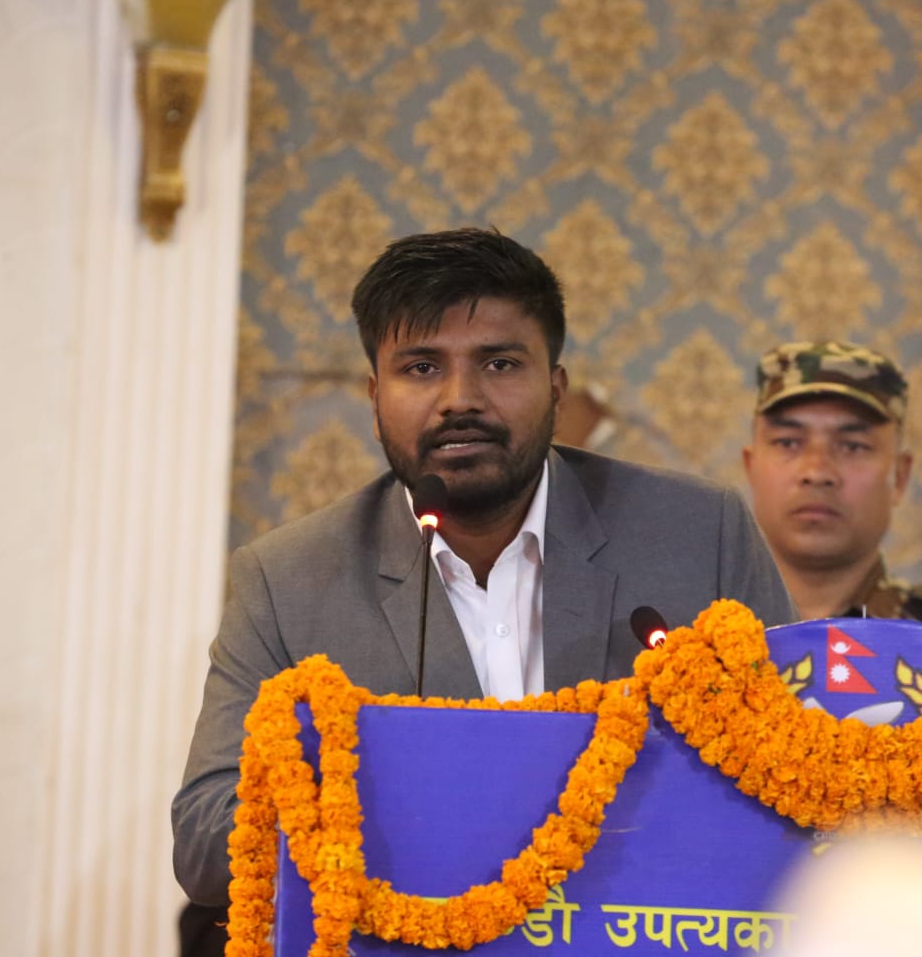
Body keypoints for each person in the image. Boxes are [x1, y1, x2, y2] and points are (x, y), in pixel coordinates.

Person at [173, 228, 796, 906]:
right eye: (421, 368)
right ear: (374, 399)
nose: (460, 398)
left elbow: (797, 776)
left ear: (557, 389)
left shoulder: (698, 535)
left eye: (499, 363)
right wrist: (384, 799)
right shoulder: (287, 582)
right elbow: (206, 841)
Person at [742, 340, 922, 633]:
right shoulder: (703, 635)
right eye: (788, 442)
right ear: (750, 467)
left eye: (853, 446)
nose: (816, 472)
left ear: (900, 476)